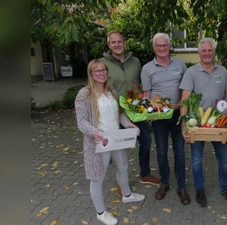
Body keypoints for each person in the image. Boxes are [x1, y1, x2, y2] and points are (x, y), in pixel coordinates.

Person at [75, 59, 146, 225]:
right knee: (97, 177)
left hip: (115, 138)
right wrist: (94, 132)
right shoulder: (84, 94)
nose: (101, 73)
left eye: (103, 70)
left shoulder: (111, 90)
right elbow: (82, 121)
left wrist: (129, 124)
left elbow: (119, 114)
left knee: (123, 167)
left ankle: (127, 195)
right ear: (91, 74)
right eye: (97, 71)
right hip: (98, 142)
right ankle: (101, 212)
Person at [179, 38, 227, 207]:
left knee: (225, 161)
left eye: (210, 50)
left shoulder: (223, 71)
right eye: (204, 51)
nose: (207, 53)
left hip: (218, 124)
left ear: (214, 52)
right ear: (199, 53)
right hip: (197, 124)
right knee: (196, 160)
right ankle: (200, 189)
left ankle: (226, 189)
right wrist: (184, 127)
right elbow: (184, 100)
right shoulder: (191, 72)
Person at [100, 30, 161, 198]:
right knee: (118, 148)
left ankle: (145, 174)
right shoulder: (102, 64)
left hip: (134, 111)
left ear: (125, 43)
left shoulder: (135, 61)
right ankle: (122, 182)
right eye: (113, 42)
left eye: (120, 41)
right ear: (109, 45)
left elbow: (141, 85)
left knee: (146, 141)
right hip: (114, 113)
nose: (117, 44)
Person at [140, 33, 190, 205]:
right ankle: (165, 183)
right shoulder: (147, 68)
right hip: (159, 116)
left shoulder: (180, 64)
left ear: (169, 46)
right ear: (154, 48)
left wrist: (179, 107)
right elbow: (146, 95)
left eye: (165, 45)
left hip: (177, 115)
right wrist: (148, 114)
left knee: (180, 152)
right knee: (161, 152)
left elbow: (186, 90)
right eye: (158, 46)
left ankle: (181, 187)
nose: (162, 48)